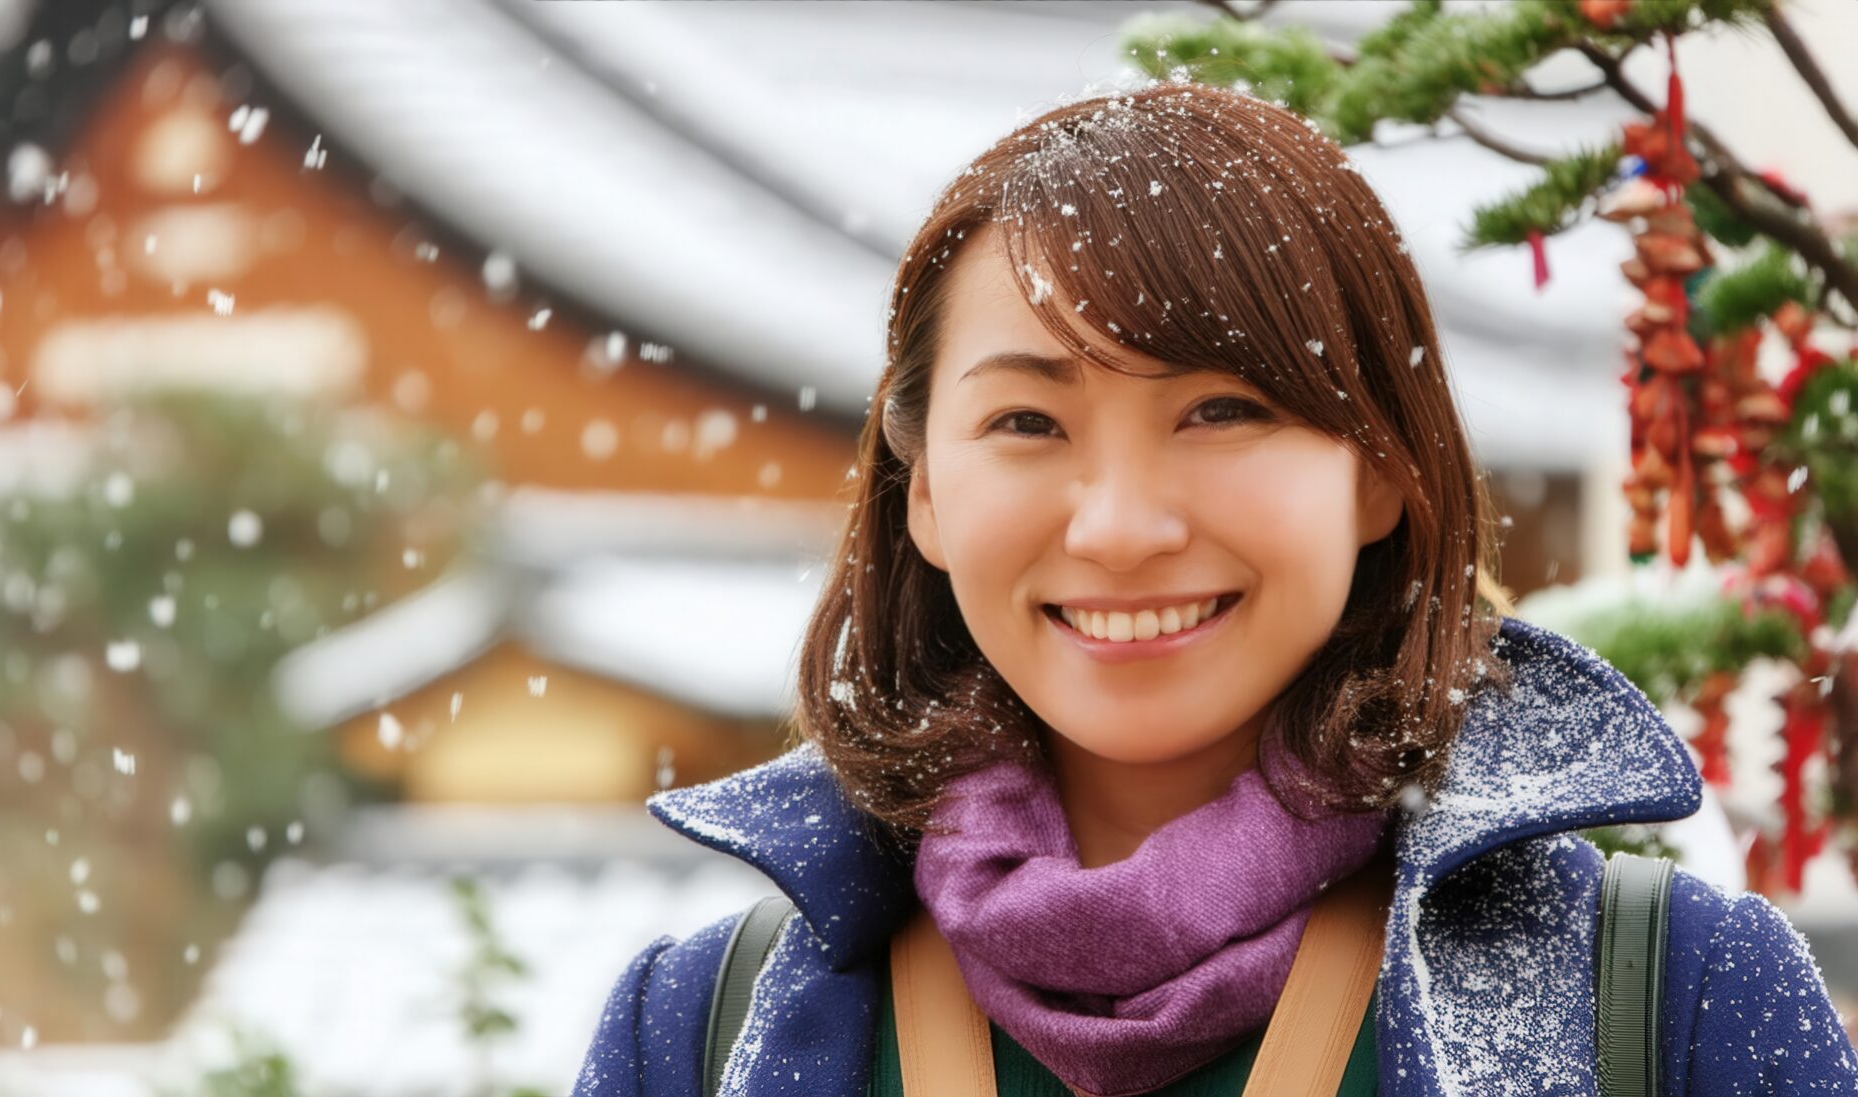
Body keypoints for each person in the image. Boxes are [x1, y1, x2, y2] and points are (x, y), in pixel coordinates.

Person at [571, 82, 1858, 1096]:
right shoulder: (693, 1035)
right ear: (922, 495)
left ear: (1381, 471)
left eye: (1222, 409)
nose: (1122, 527)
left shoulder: (1674, 1005)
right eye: (1026, 420)